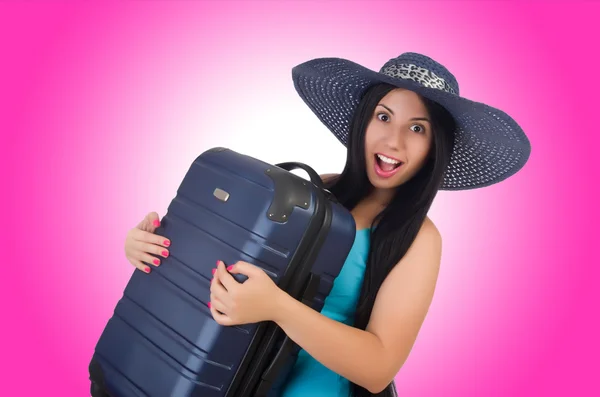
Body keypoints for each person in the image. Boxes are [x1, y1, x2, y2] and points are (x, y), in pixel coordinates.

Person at [123, 52, 531, 396]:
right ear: (362, 122)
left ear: (435, 147)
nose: (393, 141)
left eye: (417, 128)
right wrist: (157, 247)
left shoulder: (420, 239)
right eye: (383, 117)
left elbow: (378, 368)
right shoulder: (316, 190)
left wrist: (278, 307)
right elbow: (233, 266)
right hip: (238, 379)